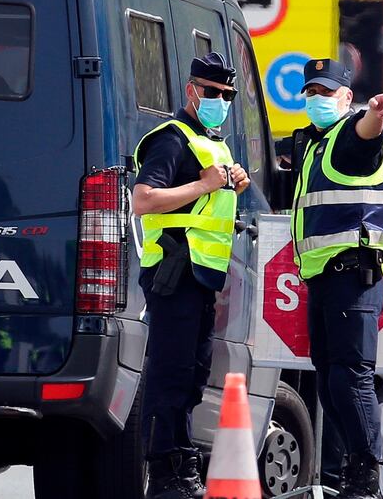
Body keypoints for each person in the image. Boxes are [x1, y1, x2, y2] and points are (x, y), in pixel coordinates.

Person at [132, 52, 250, 499]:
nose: (220, 100)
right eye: (212, 92)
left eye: (227, 95)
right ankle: (165, 470)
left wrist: (232, 180)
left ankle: (180, 464)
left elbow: (210, 205)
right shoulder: (172, 139)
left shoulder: (214, 143)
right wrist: (204, 184)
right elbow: (143, 200)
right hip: (173, 272)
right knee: (171, 373)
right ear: (191, 91)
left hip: (202, 278)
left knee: (193, 374)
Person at [288, 58, 383, 499]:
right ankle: (356, 467)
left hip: (353, 273)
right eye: (311, 93)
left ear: (347, 97)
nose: (317, 100)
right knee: (330, 375)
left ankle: (367, 472)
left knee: (350, 375)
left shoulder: (351, 136)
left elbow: (366, 137)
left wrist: (375, 114)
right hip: (325, 277)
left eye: (327, 93)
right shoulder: (318, 146)